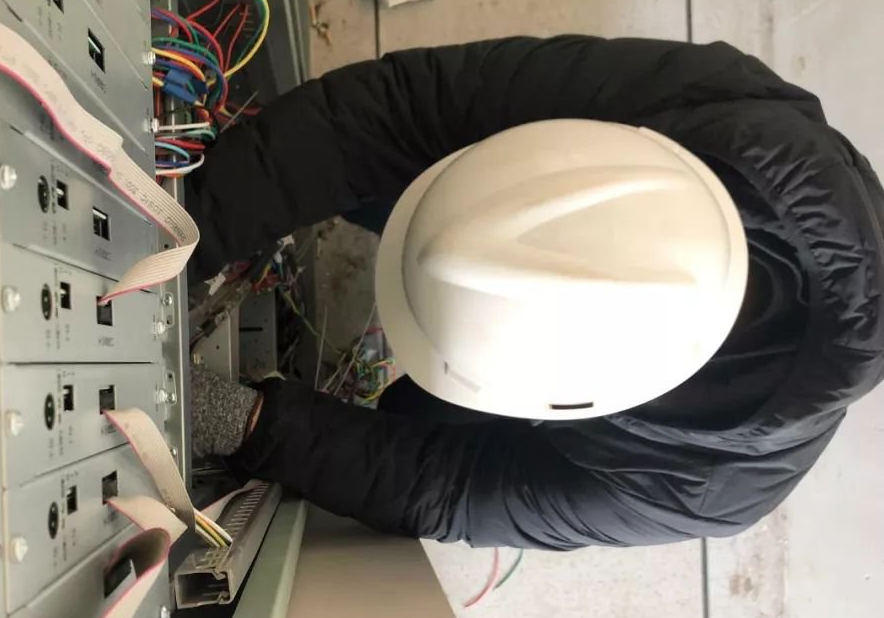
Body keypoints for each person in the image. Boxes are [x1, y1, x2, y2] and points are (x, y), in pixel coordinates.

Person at [184, 35, 884, 550]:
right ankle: (433, 205)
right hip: (502, 181)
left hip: (535, 410)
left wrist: (253, 424)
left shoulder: (705, 486)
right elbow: (400, 111)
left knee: (419, 426)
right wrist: (185, 229)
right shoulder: (716, 105)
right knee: (413, 175)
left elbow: (449, 488)